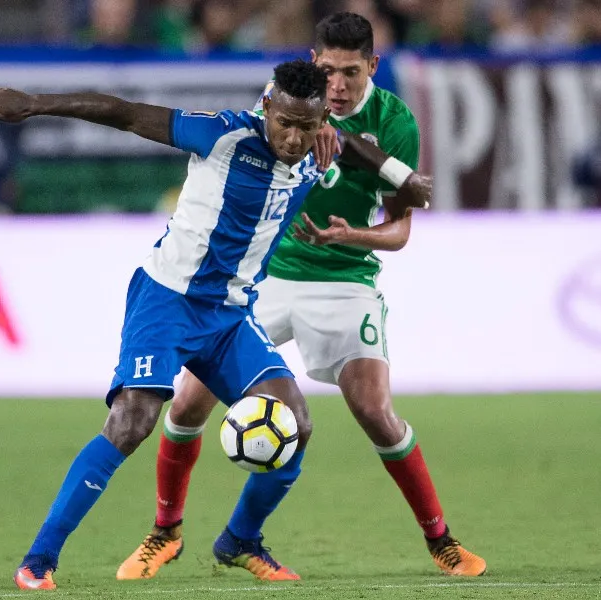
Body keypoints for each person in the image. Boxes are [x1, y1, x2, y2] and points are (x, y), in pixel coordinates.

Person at [0, 58, 429, 591]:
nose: (295, 138)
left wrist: (403, 178)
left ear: (322, 117)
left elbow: (354, 147)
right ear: (267, 107)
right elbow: (125, 113)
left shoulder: (320, 143)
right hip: (167, 299)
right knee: (132, 421)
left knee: (296, 424)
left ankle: (239, 540)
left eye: (308, 126)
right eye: (286, 123)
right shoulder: (224, 134)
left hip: (229, 316)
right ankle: (40, 558)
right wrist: (35, 105)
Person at [117, 12, 487, 583]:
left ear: (373, 67)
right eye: (328, 71)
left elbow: (402, 229)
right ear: (314, 64)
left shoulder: (396, 123)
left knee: (375, 412)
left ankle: (440, 540)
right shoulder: (290, 101)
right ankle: (164, 532)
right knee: (188, 403)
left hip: (345, 278)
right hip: (267, 278)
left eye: (350, 74)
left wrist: (350, 235)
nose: (337, 86)